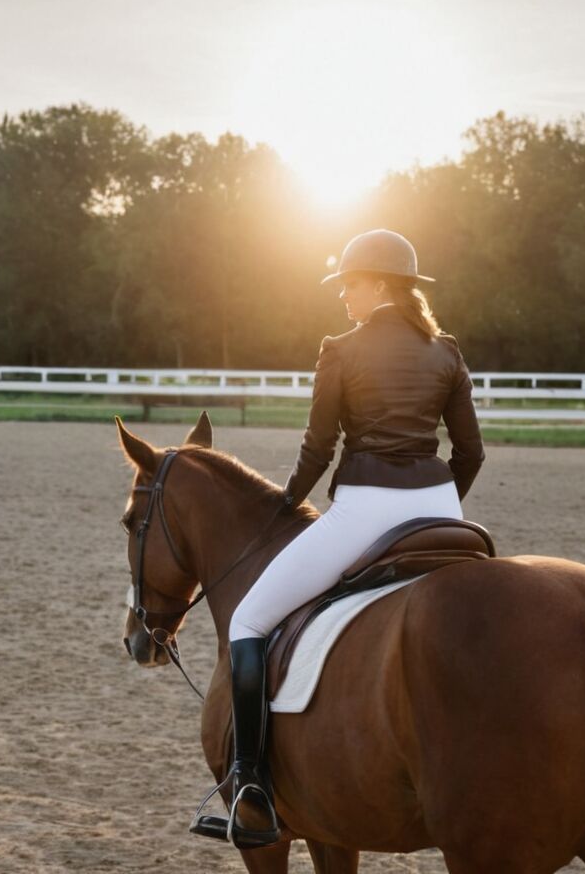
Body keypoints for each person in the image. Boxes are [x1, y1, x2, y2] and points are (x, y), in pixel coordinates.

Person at [195, 228, 485, 848]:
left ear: (378, 283)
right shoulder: (447, 351)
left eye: (350, 284)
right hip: (440, 510)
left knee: (247, 623)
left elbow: (318, 449)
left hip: (363, 511)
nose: (344, 297)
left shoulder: (342, 349)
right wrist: (439, 503)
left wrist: (284, 506)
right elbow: (471, 451)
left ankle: (249, 784)